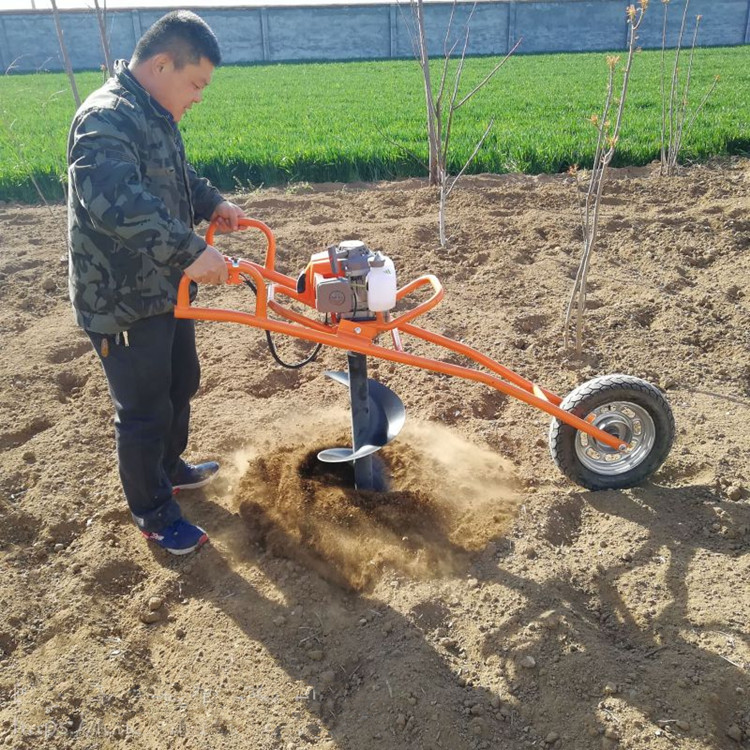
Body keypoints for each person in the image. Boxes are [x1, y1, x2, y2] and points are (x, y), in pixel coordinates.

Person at [67, 10, 245, 555]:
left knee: (180, 382)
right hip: (120, 298)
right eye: (196, 84)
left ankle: (170, 467)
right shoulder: (105, 119)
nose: (199, 97)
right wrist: (191, 252)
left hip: (165, 287)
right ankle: (154, 512)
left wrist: (212, 202)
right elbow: (116, 204)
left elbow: (175, 177)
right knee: (144, 410)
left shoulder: (153, 114)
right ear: (163, 64)